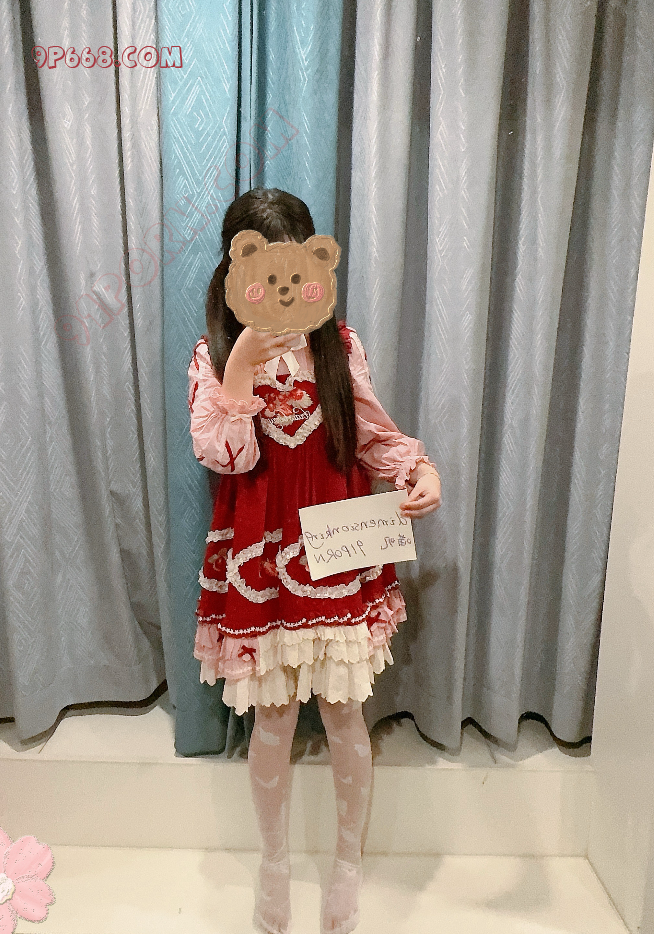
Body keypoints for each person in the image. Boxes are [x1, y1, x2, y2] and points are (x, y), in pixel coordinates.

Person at [188, 188, 441, 934]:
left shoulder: (339, 345)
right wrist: (239, 370)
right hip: (261, 555)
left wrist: (418, 470)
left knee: (343, 712)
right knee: (272, 718)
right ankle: (273, 865)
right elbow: (226, 456)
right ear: (236, 273)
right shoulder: (212, 355)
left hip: (337, 549)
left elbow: (370, 433)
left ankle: (347, 864)